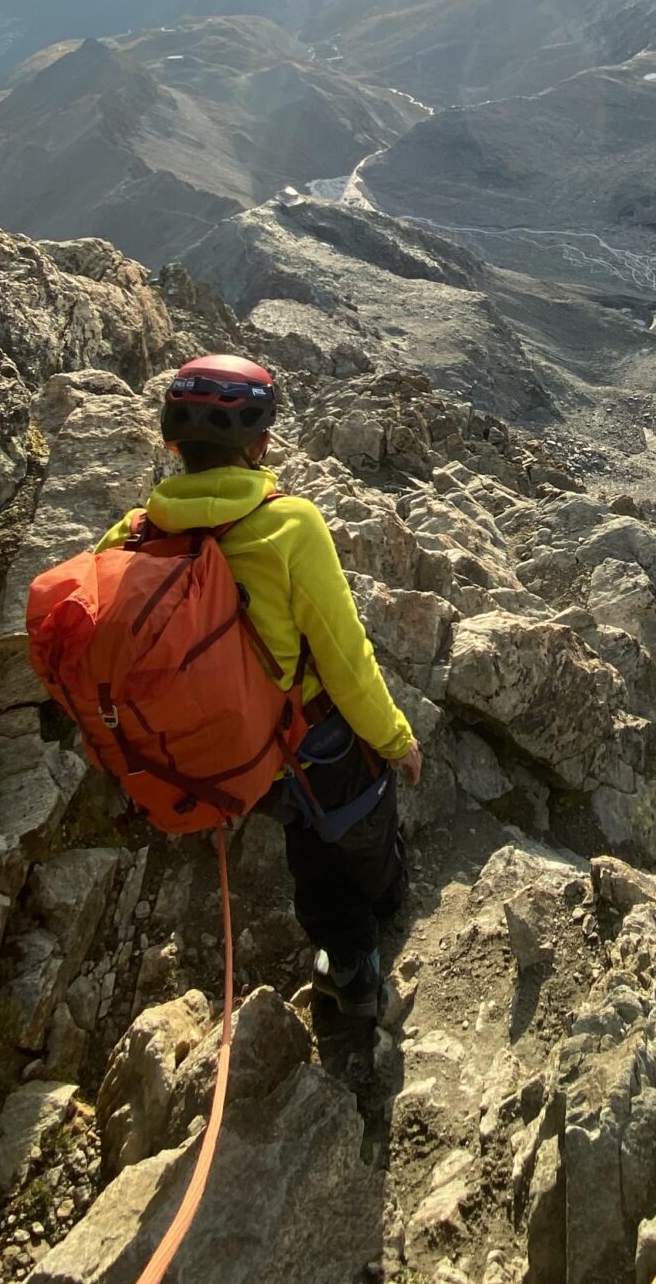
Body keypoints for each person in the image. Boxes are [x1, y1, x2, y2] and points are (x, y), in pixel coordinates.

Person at [96, 354, 421, 1019]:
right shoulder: (289, 524)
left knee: (305, 839)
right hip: (313, 743)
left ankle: (344, 955)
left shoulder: (128, 538)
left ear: (172, 444)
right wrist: (395, 739)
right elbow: (344, 657)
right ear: (260, 442)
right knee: (362, 831)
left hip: (231, 759)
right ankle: (381, 926)